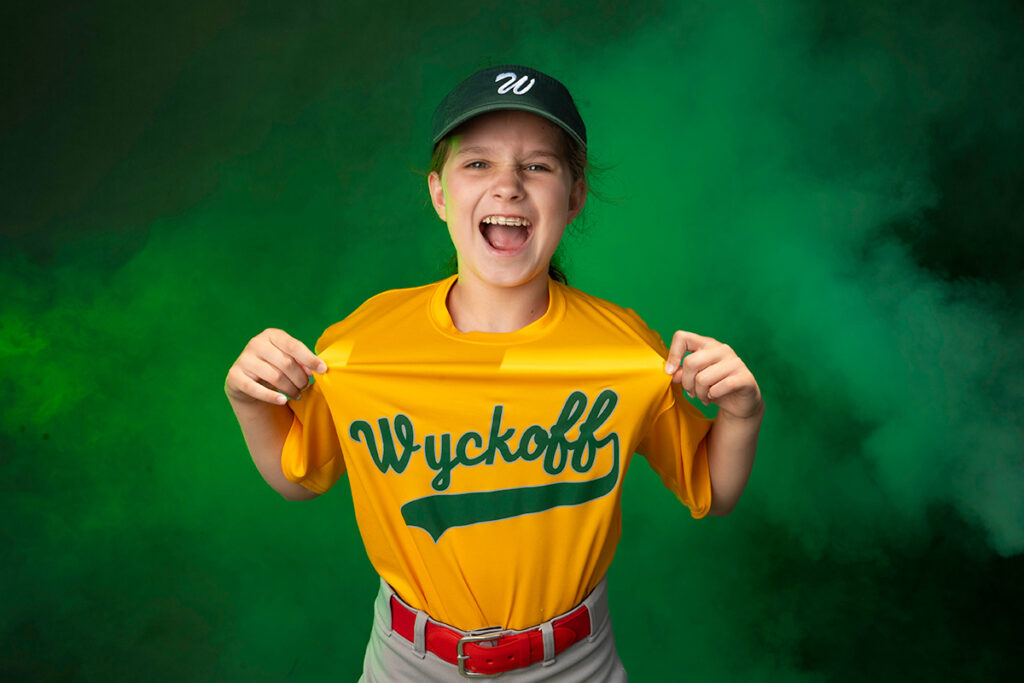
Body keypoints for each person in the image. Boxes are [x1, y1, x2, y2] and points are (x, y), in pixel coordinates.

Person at [225, 65, 763, 681]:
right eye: (477, 163)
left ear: (575, 195)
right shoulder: (361, 344)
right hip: (409, 661)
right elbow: (299, 477)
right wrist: (250, 403)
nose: (508, 186)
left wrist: (742, 413)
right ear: (438, 193)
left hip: (574, 663)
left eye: (537, 166)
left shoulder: (625, 352)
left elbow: (714, 491)